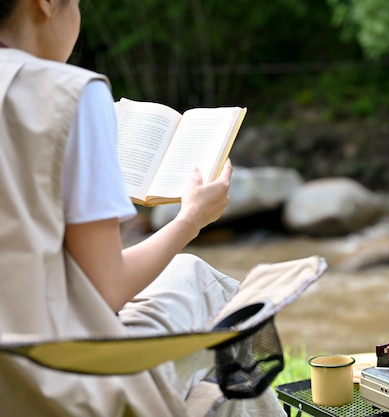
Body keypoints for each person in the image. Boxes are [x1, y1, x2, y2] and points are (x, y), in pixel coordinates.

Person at [0, 0, 287, 415]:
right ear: (44, 4)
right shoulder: (70, 94)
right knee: (198, 279)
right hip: (57, 380)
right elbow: (106, 288)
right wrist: (191, 219)